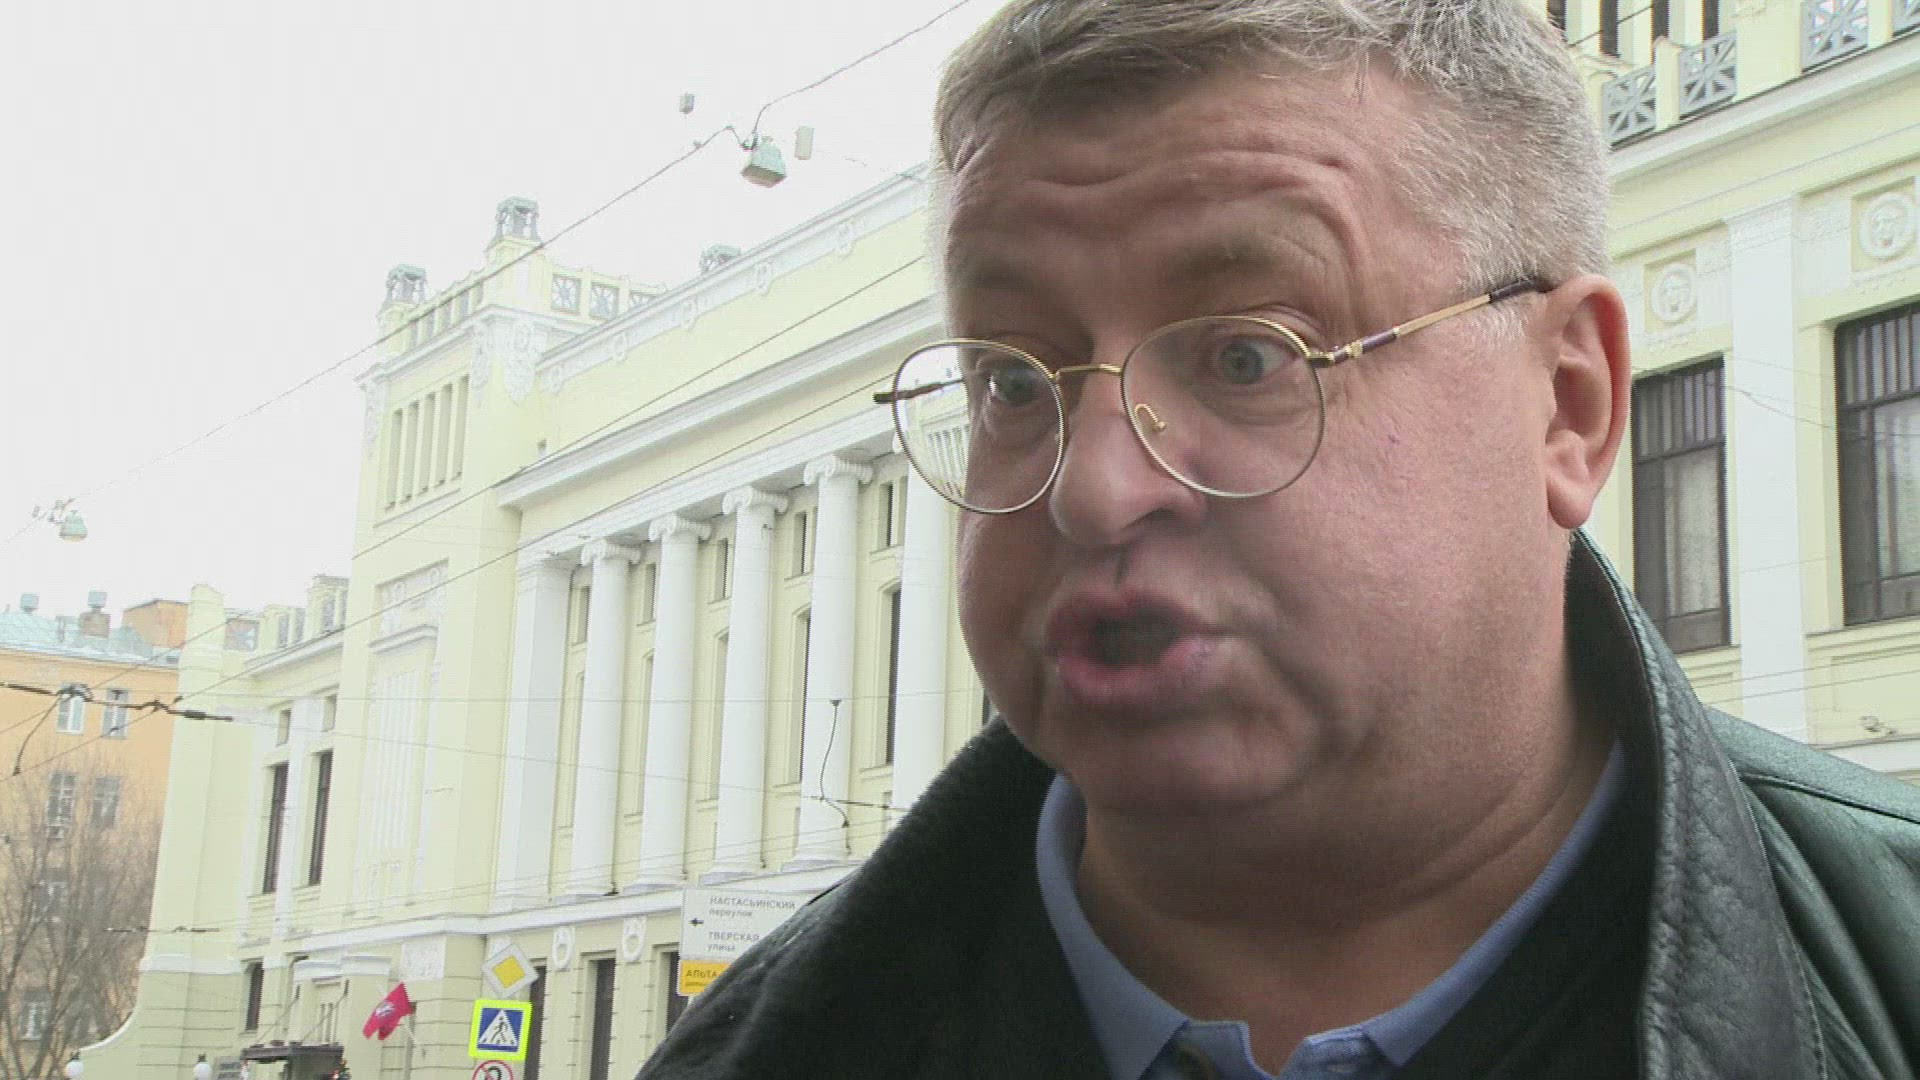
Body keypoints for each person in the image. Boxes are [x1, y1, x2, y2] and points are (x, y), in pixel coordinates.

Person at [638, 2, 1920, 1077]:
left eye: (1249, 356)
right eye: (1016, 381)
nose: (1095, 488)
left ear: (1568, 407)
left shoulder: (1885, 976)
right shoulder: (755, 1050)